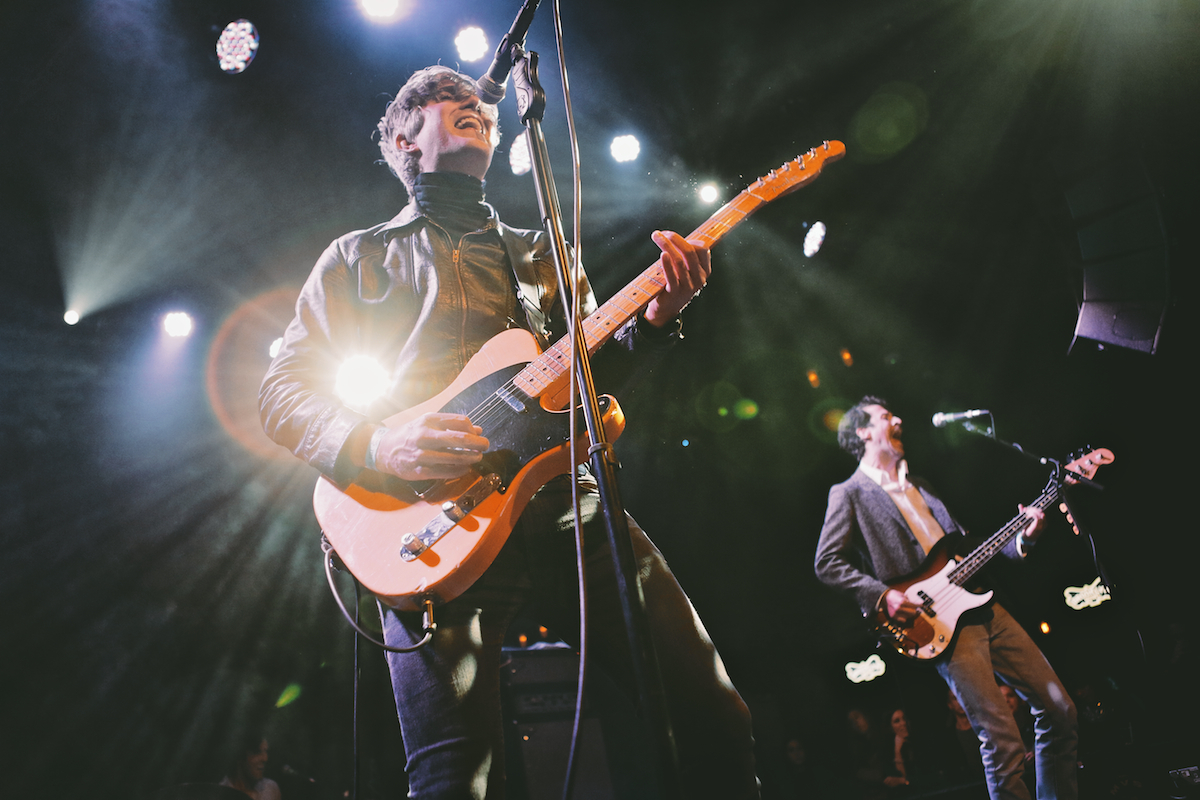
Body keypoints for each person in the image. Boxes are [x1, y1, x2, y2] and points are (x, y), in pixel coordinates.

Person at [259, 66, 757, 799]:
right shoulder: (357, 257)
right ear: (403, 138)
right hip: (426, 520)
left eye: (478, 105)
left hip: (567, 508)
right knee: (453, 774)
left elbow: (592, 387)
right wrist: (374, 445)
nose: (473, 107)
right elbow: (281, 390)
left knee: (715, 714)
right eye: (445, 102)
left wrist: (653, 324)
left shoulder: (544, 254)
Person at [813, 396, 1078, 800]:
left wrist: (1024, 538)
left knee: (1060, 710)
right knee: (1002, 740)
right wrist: (882, 595)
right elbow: (826, 562)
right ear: (863, 432)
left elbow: (972, 548)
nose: (898, 419)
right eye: (886, 417)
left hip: (982, 603)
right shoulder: (848, 492)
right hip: (941, 624)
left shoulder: (922, 485)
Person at [219, 736, 281, 800]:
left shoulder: (270, 787)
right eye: (257, 752)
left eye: (265, 751)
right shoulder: (220, 793)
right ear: (240, 755)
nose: (265, 758)